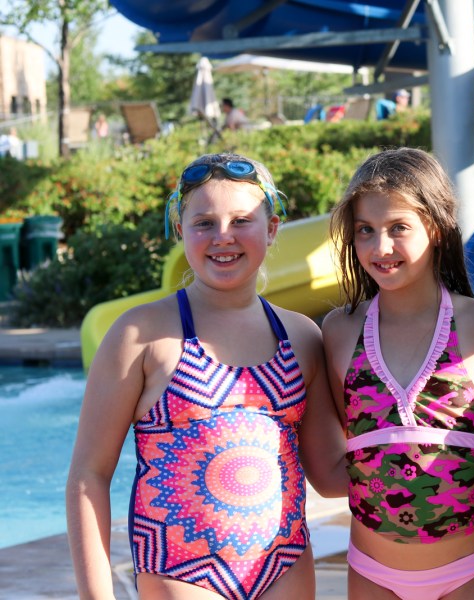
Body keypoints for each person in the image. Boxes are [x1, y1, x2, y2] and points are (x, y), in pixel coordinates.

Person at [66, 152, 345, 599]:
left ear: (272, 229)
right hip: (181, 571)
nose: (223, 236)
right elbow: (89, 475)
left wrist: (424, 450)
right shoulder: (141, 335)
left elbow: (330, 476)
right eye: (204, 223)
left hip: (285, 564)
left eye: (241, 221)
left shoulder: (301, 336)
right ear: (181, 231)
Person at [322, 147, 474, 599]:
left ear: (435, 227)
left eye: (398, 227)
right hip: (373, 571)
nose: (380, 247)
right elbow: (351, 446)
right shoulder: (339, 330)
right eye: (365, 230)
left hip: (470, 569)